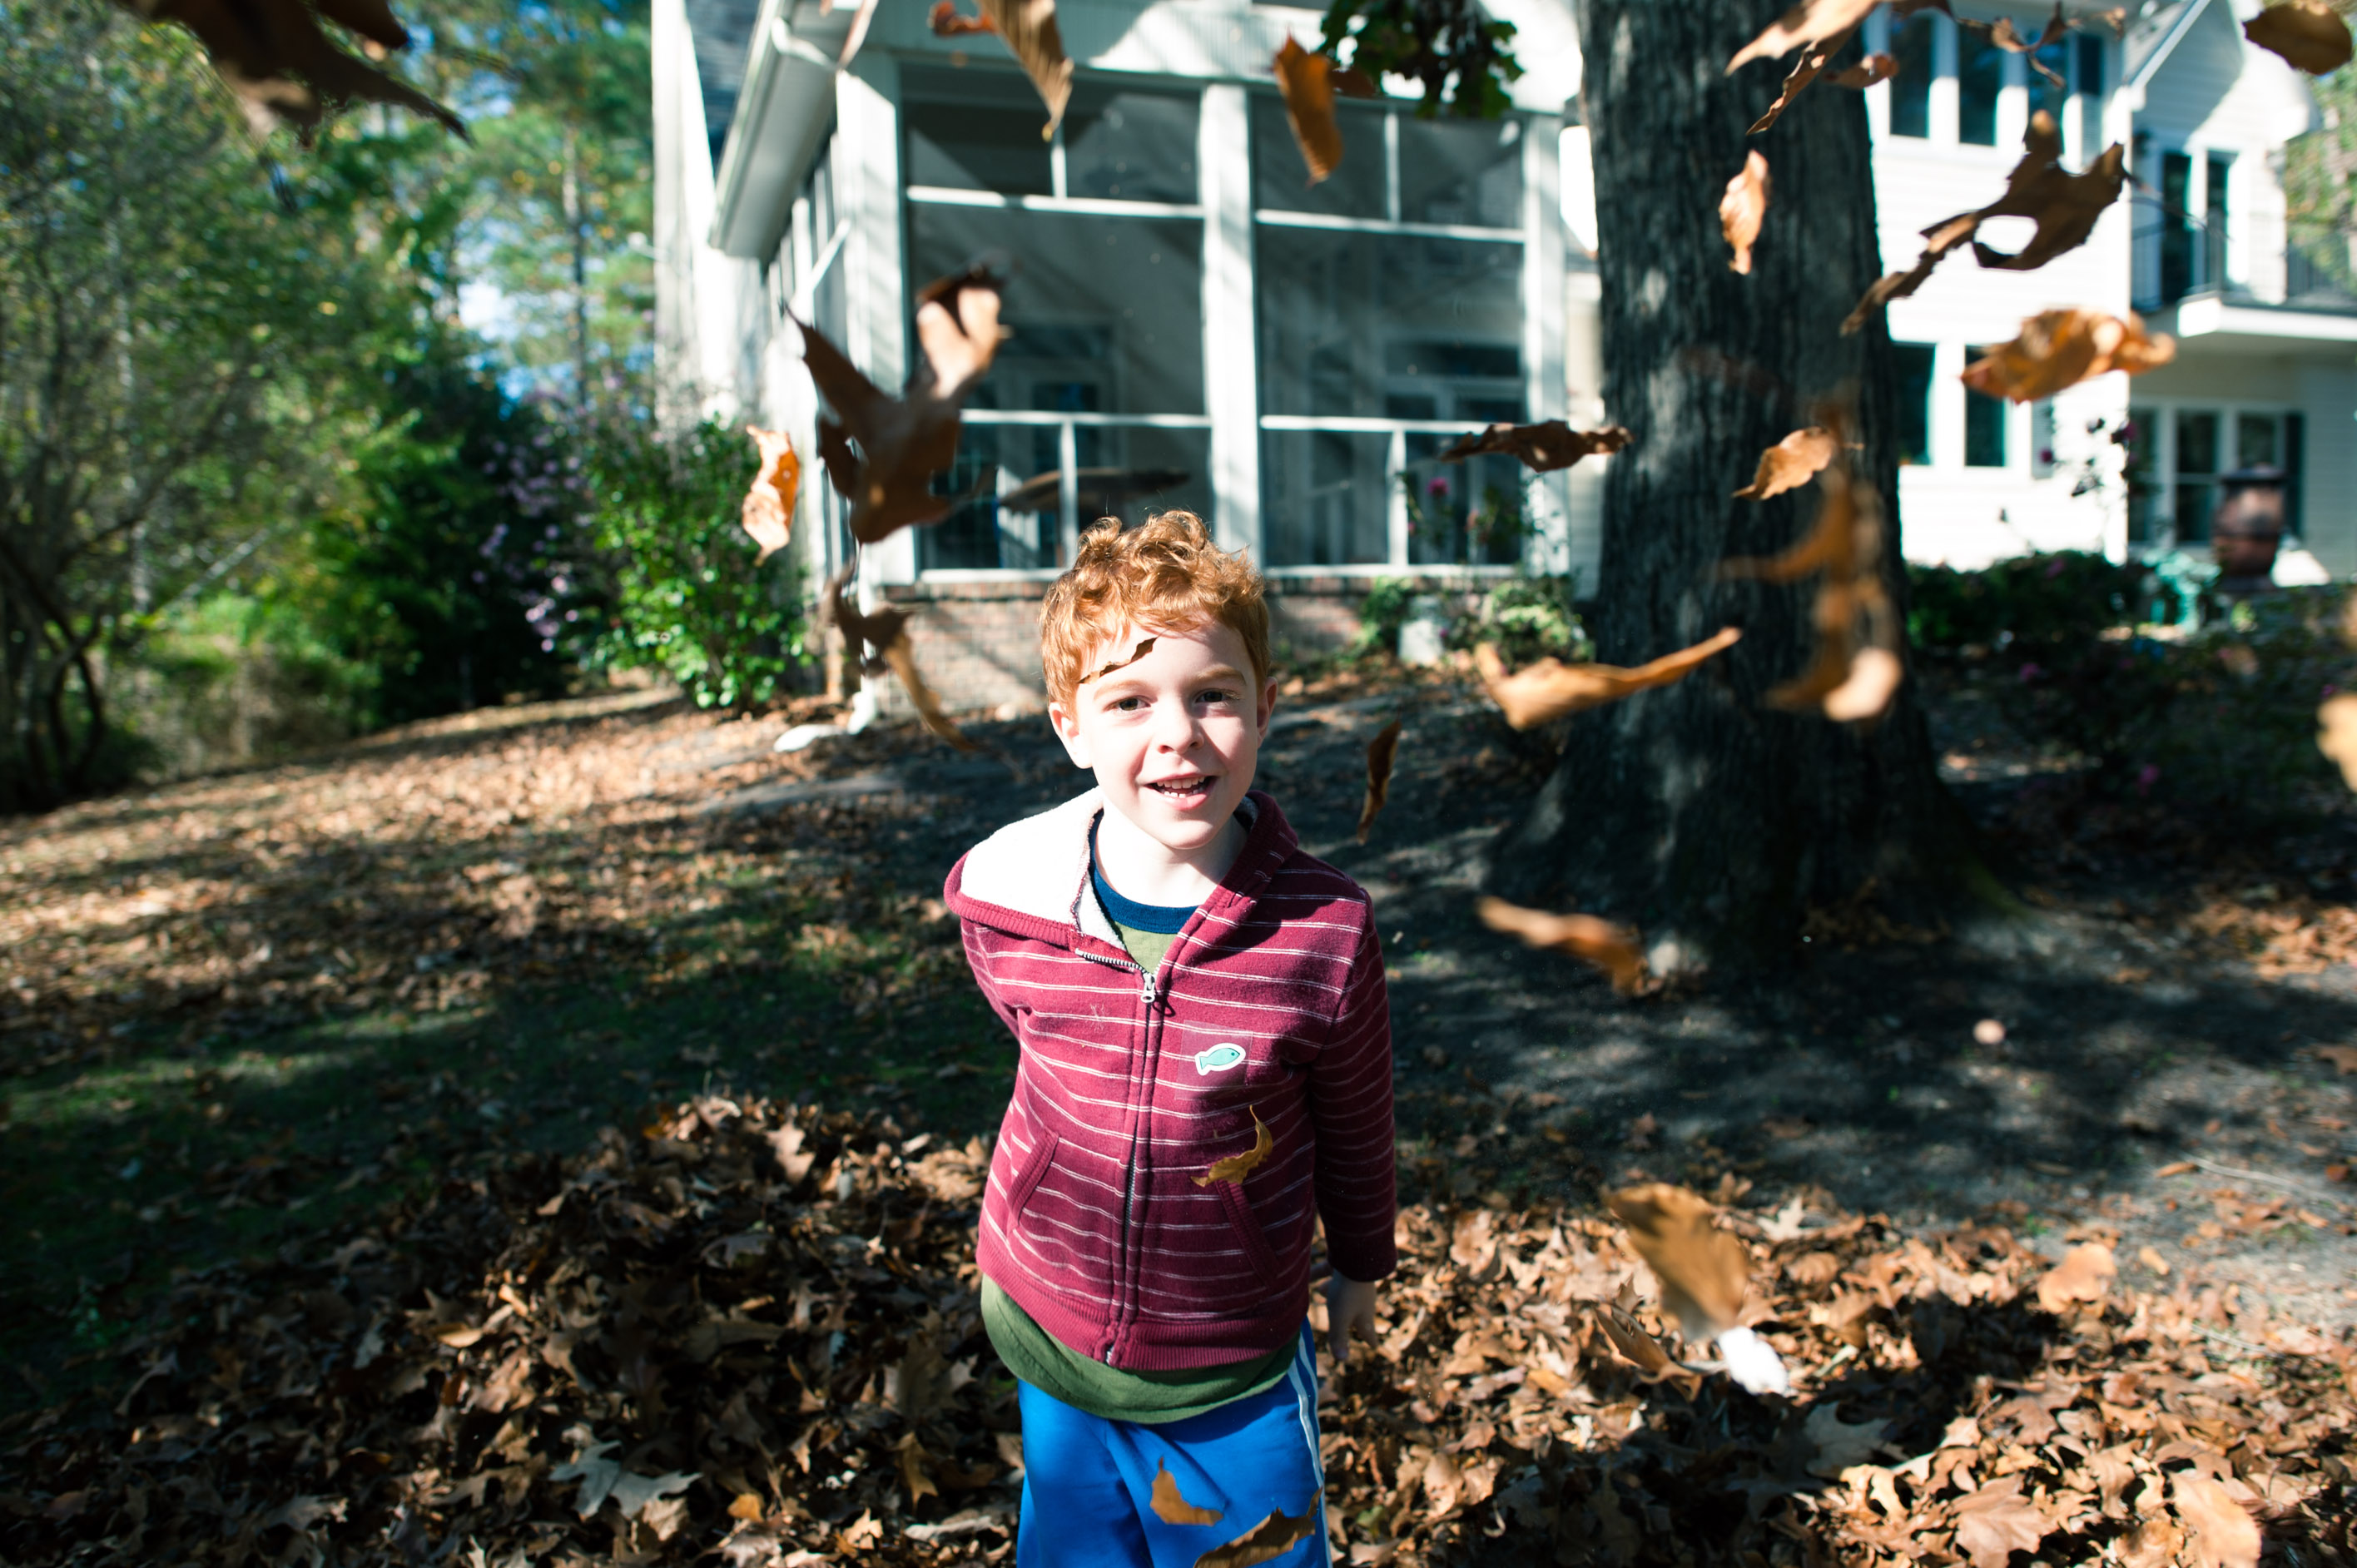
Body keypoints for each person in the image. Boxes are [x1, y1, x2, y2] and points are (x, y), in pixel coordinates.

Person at [941, 511, 1397, 1568]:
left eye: (1213, 697)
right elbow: (1034, 1047)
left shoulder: (1321, 934)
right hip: (1047, 1332)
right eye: (1130, 702)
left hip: (1227, 1369)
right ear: (1070, 728)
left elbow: (1357, 1122)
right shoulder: (1015, 909)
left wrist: (1362, 1266)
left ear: (1267, 706)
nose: (1177, 735)